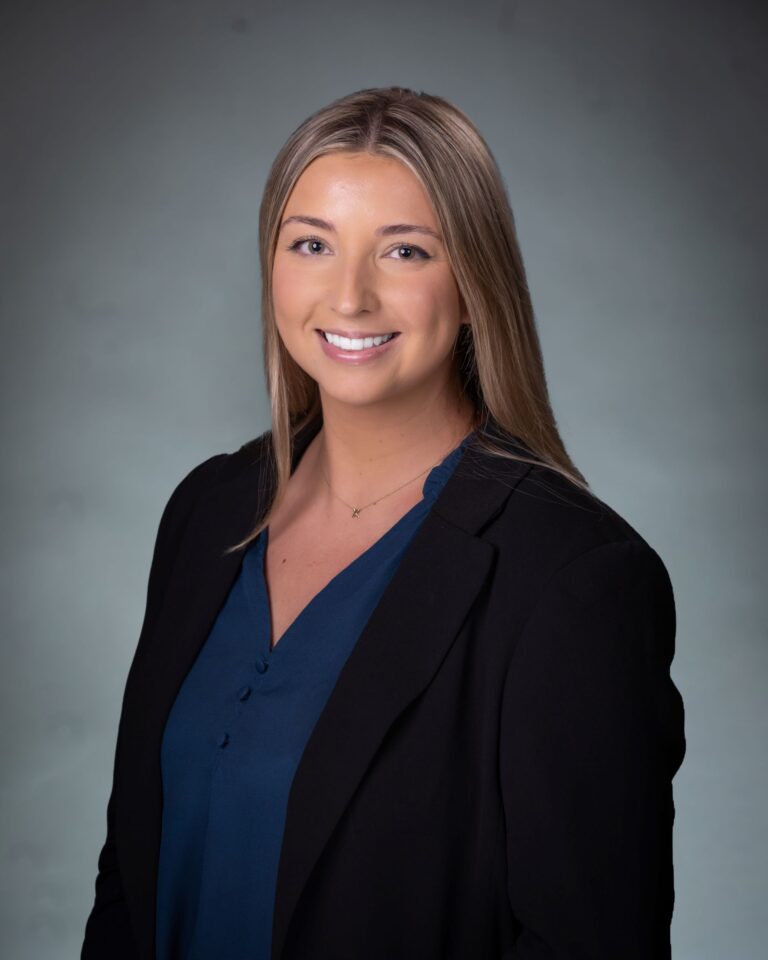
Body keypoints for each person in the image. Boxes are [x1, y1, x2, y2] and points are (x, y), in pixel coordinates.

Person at [81, 86, 686, 960]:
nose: (350, 296)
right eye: (312, 244)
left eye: (405, 251)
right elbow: (129, 874)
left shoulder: (573, 578)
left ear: (476, 284)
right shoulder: (207, 511)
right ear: (272, 264)